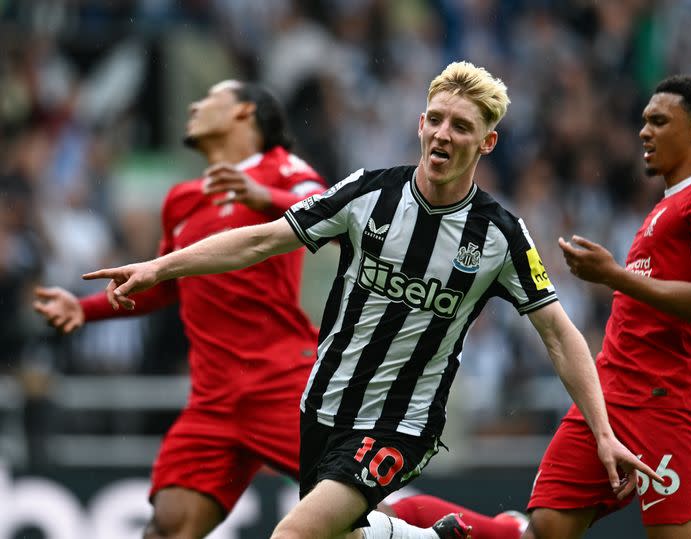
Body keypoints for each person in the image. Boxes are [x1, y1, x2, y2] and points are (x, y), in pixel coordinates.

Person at [82, 61, 661, 539]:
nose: (442, 134)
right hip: (322, 406)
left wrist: (603, 430)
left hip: (400, 422)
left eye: (461, 126)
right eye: (435, 119)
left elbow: (559, 334)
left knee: (292, 536)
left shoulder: (500, 236)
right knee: (346, 536)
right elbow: (262, 238)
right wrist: (160, 266)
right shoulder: (367, 194)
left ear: (487, 142)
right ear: (419, 123)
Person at [33, 80, 331, 538]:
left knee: (358, 514)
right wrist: (84, 308)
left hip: (281, 382)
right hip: (212, 399)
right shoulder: (182, 199)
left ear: (244, 112)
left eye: (209, 98)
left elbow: (327, 213)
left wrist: (264, 197)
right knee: (168, 527)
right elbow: (163, 286)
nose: (194, 104)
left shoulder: (283, 169)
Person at [525, 76, 691, 538]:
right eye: (644, 120)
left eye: (659, 120)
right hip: (610, 393)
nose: (644, 131)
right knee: (547, 524)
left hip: (665, 404)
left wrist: (613, 276)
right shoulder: (667, 205)